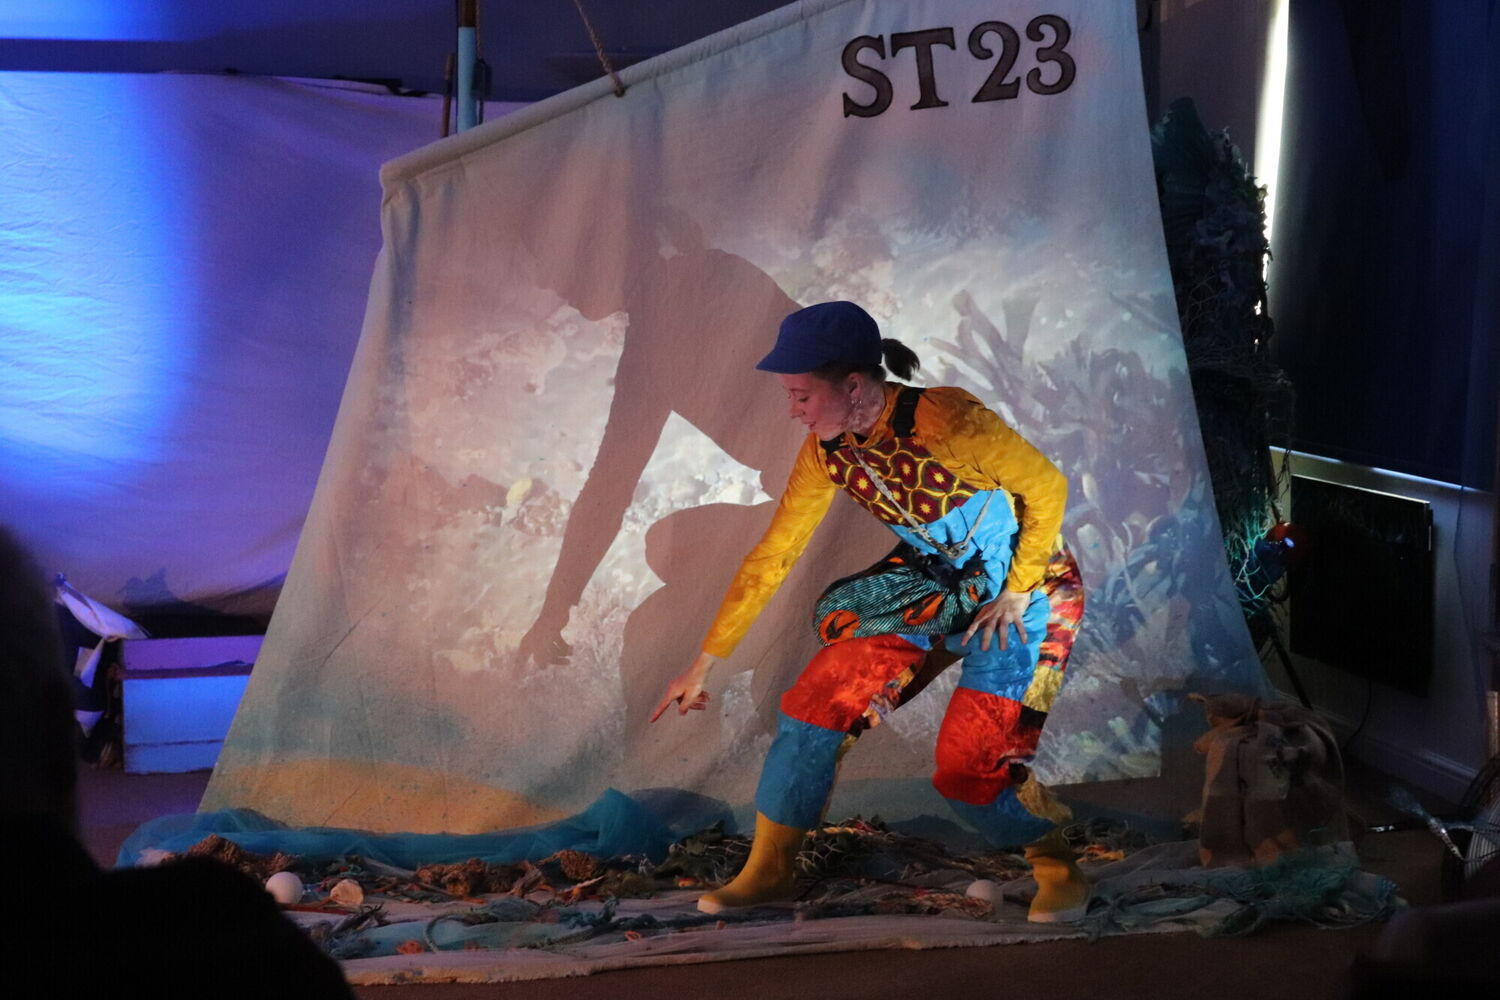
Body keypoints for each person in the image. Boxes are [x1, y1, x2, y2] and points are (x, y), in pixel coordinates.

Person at [651, 301, 1088, 922]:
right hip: (931, 588)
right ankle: (770, 871)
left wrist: (1016, 589)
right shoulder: (826, 452)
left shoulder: (946, 419)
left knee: (968, 763)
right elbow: (773, 555)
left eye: (801, 395)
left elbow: (1046, 486)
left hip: (1025, 591)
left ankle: (1056, 862)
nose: (792, 410)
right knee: (815, 702)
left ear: (853, 385)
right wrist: (704, 661)